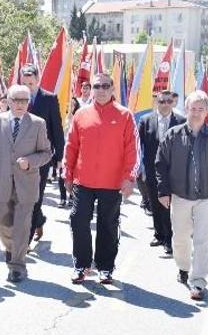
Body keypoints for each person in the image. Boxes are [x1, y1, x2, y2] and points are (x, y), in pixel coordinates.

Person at [155, 90, 208, 301]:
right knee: (180, 238)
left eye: (201, 109)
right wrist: (163, 191)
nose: (197, 112)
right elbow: (160, 164)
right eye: (193, 108)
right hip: (180, 196)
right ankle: (183, 267)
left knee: (203, 241)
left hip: (206, 198)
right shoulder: (173, 134)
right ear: (186, 109)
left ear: (207, 111)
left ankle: (198, 282)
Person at [65, 73, 137, 285]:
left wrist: (129, 177)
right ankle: (82, 264)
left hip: (112, 182)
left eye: (106, 85)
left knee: (107, 224)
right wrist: (67, 174)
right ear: (92, 89)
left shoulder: (125, 115)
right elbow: (71, 146)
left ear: (113, 88)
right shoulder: (81, 115)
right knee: (78, 219)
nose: (102, 89)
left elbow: (132, 149)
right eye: (97, 86)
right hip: (82, 180)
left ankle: (105, 267)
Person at [0, 85, 52, 283]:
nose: (20, 104)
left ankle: (17, 266)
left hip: (26, 184)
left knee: (22, 226)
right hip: (0, 183)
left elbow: (46, 153)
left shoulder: (38, 124)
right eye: (16, 100)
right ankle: (12, 249)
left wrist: (30, 161)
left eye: (24, 100)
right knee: (1, 221)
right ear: (8, 101)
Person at [20, 64, 65, 243]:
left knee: (35, 196)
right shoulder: (16, 97)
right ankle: (39, 220)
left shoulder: (49, 99)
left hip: (41, 157)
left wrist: (60, 157)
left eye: (31, 83)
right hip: (19, 158)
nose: (28, 87)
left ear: (37, 80)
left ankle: (26, 240)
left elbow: (57, 129)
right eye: (25, 83)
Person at [138, 90, 186, 255]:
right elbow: (139, 146)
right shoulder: (146, 121)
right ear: (156, 103)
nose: (165, 104)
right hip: (152, 169)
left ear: (173, 102)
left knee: (169, 205)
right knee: (155, 202)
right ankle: (159, 234)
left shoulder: (181, 120)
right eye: (162, 101)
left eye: (168, 101)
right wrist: (139, 167)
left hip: (173, 171)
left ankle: (169, 239)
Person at [58, 97, 80, 208]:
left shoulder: (79, 117)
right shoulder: (63, 116)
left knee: (73, 174)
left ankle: (72, 197)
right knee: (62, 173)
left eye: (73, 104)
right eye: (69, 104)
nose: (71, 106)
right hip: (64, 147)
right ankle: (62, 197)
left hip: (75, 149)